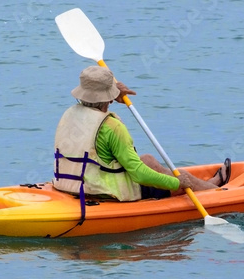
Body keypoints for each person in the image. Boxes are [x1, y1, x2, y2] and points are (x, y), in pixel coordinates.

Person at [53, 65, 230, 202]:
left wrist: (110, 94)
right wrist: (178, 183)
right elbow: (139, 175)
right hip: (104, 192)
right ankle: (213, 191)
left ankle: (210, 185)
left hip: (71, 183)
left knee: (149, 160)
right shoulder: (111, 126)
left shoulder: (70, 113)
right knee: (176, 176)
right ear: (108, 97)